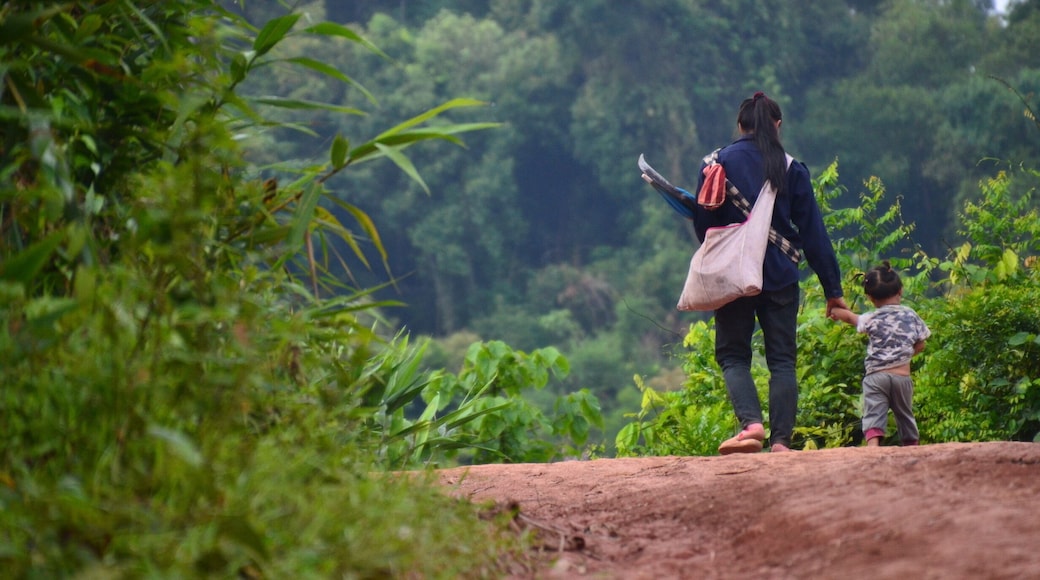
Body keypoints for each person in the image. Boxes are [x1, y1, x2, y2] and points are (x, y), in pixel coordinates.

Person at [690, 92, 847, 454]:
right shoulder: (792, 169)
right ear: (777, 126)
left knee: (733, 356)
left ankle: (751, 425)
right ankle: (780, 442)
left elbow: (704, 227)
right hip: (779, 276)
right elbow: (814, 236)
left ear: (740, 126)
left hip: (732, 278)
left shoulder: (715, 164)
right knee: (781, 361)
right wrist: (832, 289)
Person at [829, 261, 930, 447]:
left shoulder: (871, 317)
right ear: (901, 290)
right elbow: (921, 344)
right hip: (902, 377)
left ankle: (873, 447)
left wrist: (834, 309)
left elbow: (851, 318)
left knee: (874, 411)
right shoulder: (910, 315)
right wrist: (904, 355)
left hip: (876, 377)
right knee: (905, 413)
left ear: (869, 298)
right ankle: (911, 445)